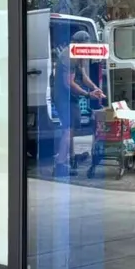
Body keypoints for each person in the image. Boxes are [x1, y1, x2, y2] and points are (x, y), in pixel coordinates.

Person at [53, 29, 105, 178]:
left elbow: (84, 77)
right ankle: (60, 164)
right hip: (63, 97)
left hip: (72, 98)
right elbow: (68, 83)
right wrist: (88, 94)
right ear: (76, 43)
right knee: (67, 129)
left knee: (72, 129)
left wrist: (95, 88)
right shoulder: (68, 56)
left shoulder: (78, 55)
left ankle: (71, 158)